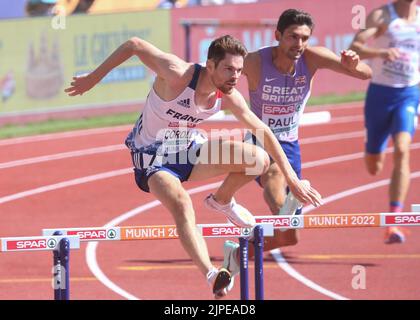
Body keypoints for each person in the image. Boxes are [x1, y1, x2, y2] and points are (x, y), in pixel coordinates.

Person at [64, 34, 322, 298]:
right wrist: (93, 78)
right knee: (181, 203)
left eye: (240, 71)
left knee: (259, 159)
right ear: (210, 66)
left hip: (186, 148)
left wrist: (293, 179)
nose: (235, 76)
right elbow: (134, 44)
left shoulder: (228, 95)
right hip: (152, 157)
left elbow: (264, 131)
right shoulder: (177, 73)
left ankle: (222, 201)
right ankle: (212, 274)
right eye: (229, 69)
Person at [217, 9, 372, 276]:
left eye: (304, 38)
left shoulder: (312, 58)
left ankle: (238, 252)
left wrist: (353, 64)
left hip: (290, 146)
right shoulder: (255, 62)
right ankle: (283, 211)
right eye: (292, 37)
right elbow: (217, 72)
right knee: (276, 182)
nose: (298, 44)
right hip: (260, 143)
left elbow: (365, 74)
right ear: (278, 35)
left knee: (289, 237)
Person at [349, 0, 420, 244]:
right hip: (380, 93)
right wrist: (380, 52)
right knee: (374, 166)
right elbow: (355, 46)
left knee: (402, 150)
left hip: (409, 93)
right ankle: (373, 144)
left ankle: (394, 221)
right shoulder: (381, 15)